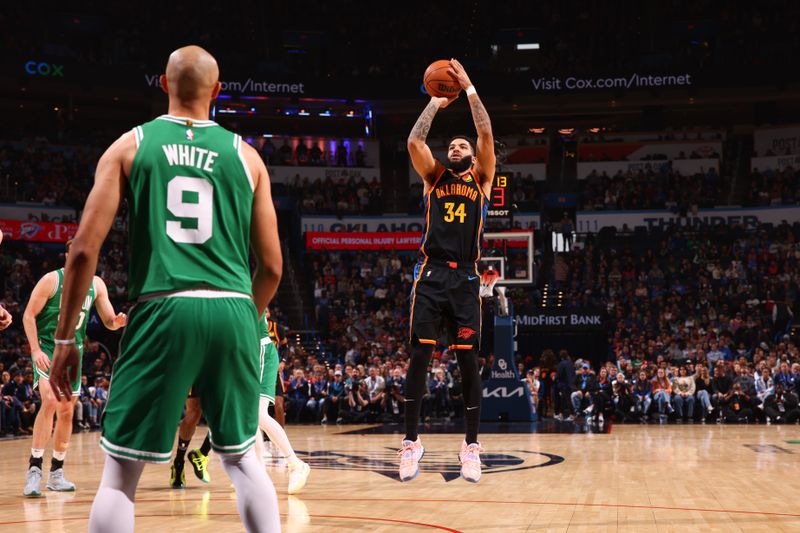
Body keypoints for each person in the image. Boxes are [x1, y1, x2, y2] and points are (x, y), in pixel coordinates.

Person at [47, 46, 283, 533]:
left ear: (163, 84)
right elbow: (274, 268)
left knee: (120, 474)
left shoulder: (129, 145)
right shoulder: (248, 157)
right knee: (242, 462)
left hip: (162, 307)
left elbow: (82, 254)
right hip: (235, 307)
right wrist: (242, 316)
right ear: (218, 91)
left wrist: (67, 338)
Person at [400, 59, 495, 483]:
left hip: (467, 279)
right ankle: (411, 442)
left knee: (468, 363)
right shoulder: (434, 178)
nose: (455, 148)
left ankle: (471, 445)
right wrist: (436, 103)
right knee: (420, 356)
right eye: (452, 146)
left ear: (473, 157)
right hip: (432, 274)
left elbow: (486, 133)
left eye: (462, 146)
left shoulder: (482, 180)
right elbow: (414, 141)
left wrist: (470, 88)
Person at [22, 239, 127, 497]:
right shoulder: (51, 280)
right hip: (49, 349)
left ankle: (56, 472)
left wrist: (118, 321)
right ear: (68, 255)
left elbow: (108, 321)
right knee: (49, 401)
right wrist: (35, 350)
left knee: (67, 412)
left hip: (74, 353)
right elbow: (28, 315)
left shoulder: (97, 284)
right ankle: (34, 469)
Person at [255, 312, 310, 494]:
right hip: (246, 355)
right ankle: (257, 472)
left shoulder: (243, 293)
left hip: (261, 354)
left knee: (259, 414)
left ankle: (295, 464)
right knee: (249, 417)